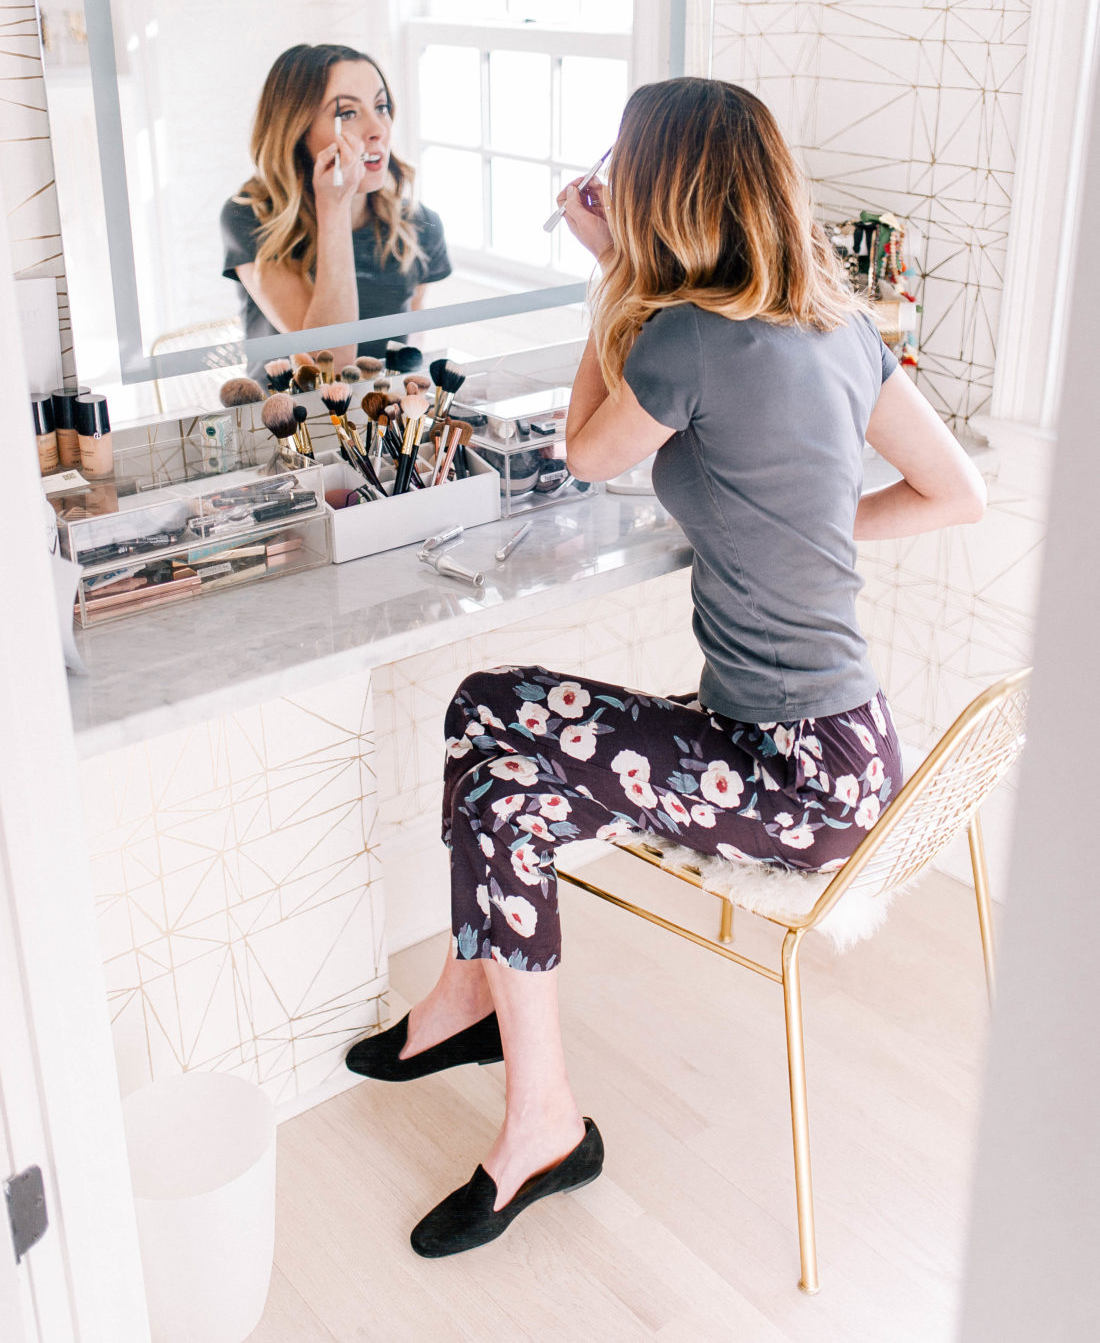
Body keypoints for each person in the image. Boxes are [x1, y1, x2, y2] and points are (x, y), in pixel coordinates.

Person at [345, 78, 987, 1258]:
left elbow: (588, 454)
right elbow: (958, 492)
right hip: (845, 754)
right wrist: (797, 529)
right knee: (497, 744)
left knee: (495, 738)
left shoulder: (687, 334)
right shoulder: (837, 324)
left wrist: (609, 278)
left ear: (662, 187)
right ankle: (489, 1033)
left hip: (783, 777)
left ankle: (513, 1071)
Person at [221, 43, 451, 373]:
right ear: (297, 130)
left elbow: (409, 349)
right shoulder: (250, 217)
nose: (379, 130)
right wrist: (334, 207)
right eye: (348, 113)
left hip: (378, 417)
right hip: (289, 418)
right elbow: (326, 364)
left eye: (381, 107)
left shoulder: (418, 224)